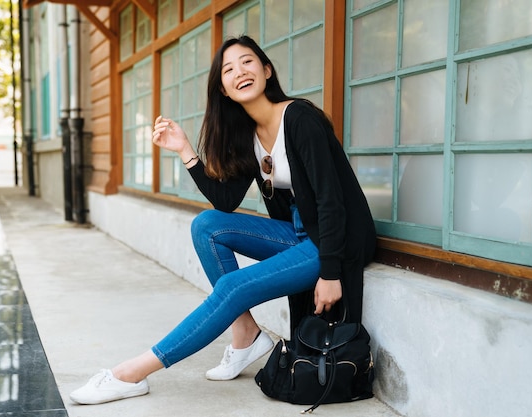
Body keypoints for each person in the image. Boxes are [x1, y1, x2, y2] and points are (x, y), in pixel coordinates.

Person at [69, 35, 376, 406]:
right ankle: (245, 334)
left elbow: (331, 199)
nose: (239, 72)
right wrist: (185, 150)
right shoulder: (249, 134)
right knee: (207, 226)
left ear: (266, 70)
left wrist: (330, 273)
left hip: (333, 239)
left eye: (247, 62)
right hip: (300, 232)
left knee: (233, 287)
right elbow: (225, 201)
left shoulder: (299, 118)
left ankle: (130, 374)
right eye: (228, 69)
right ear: (224, 90)